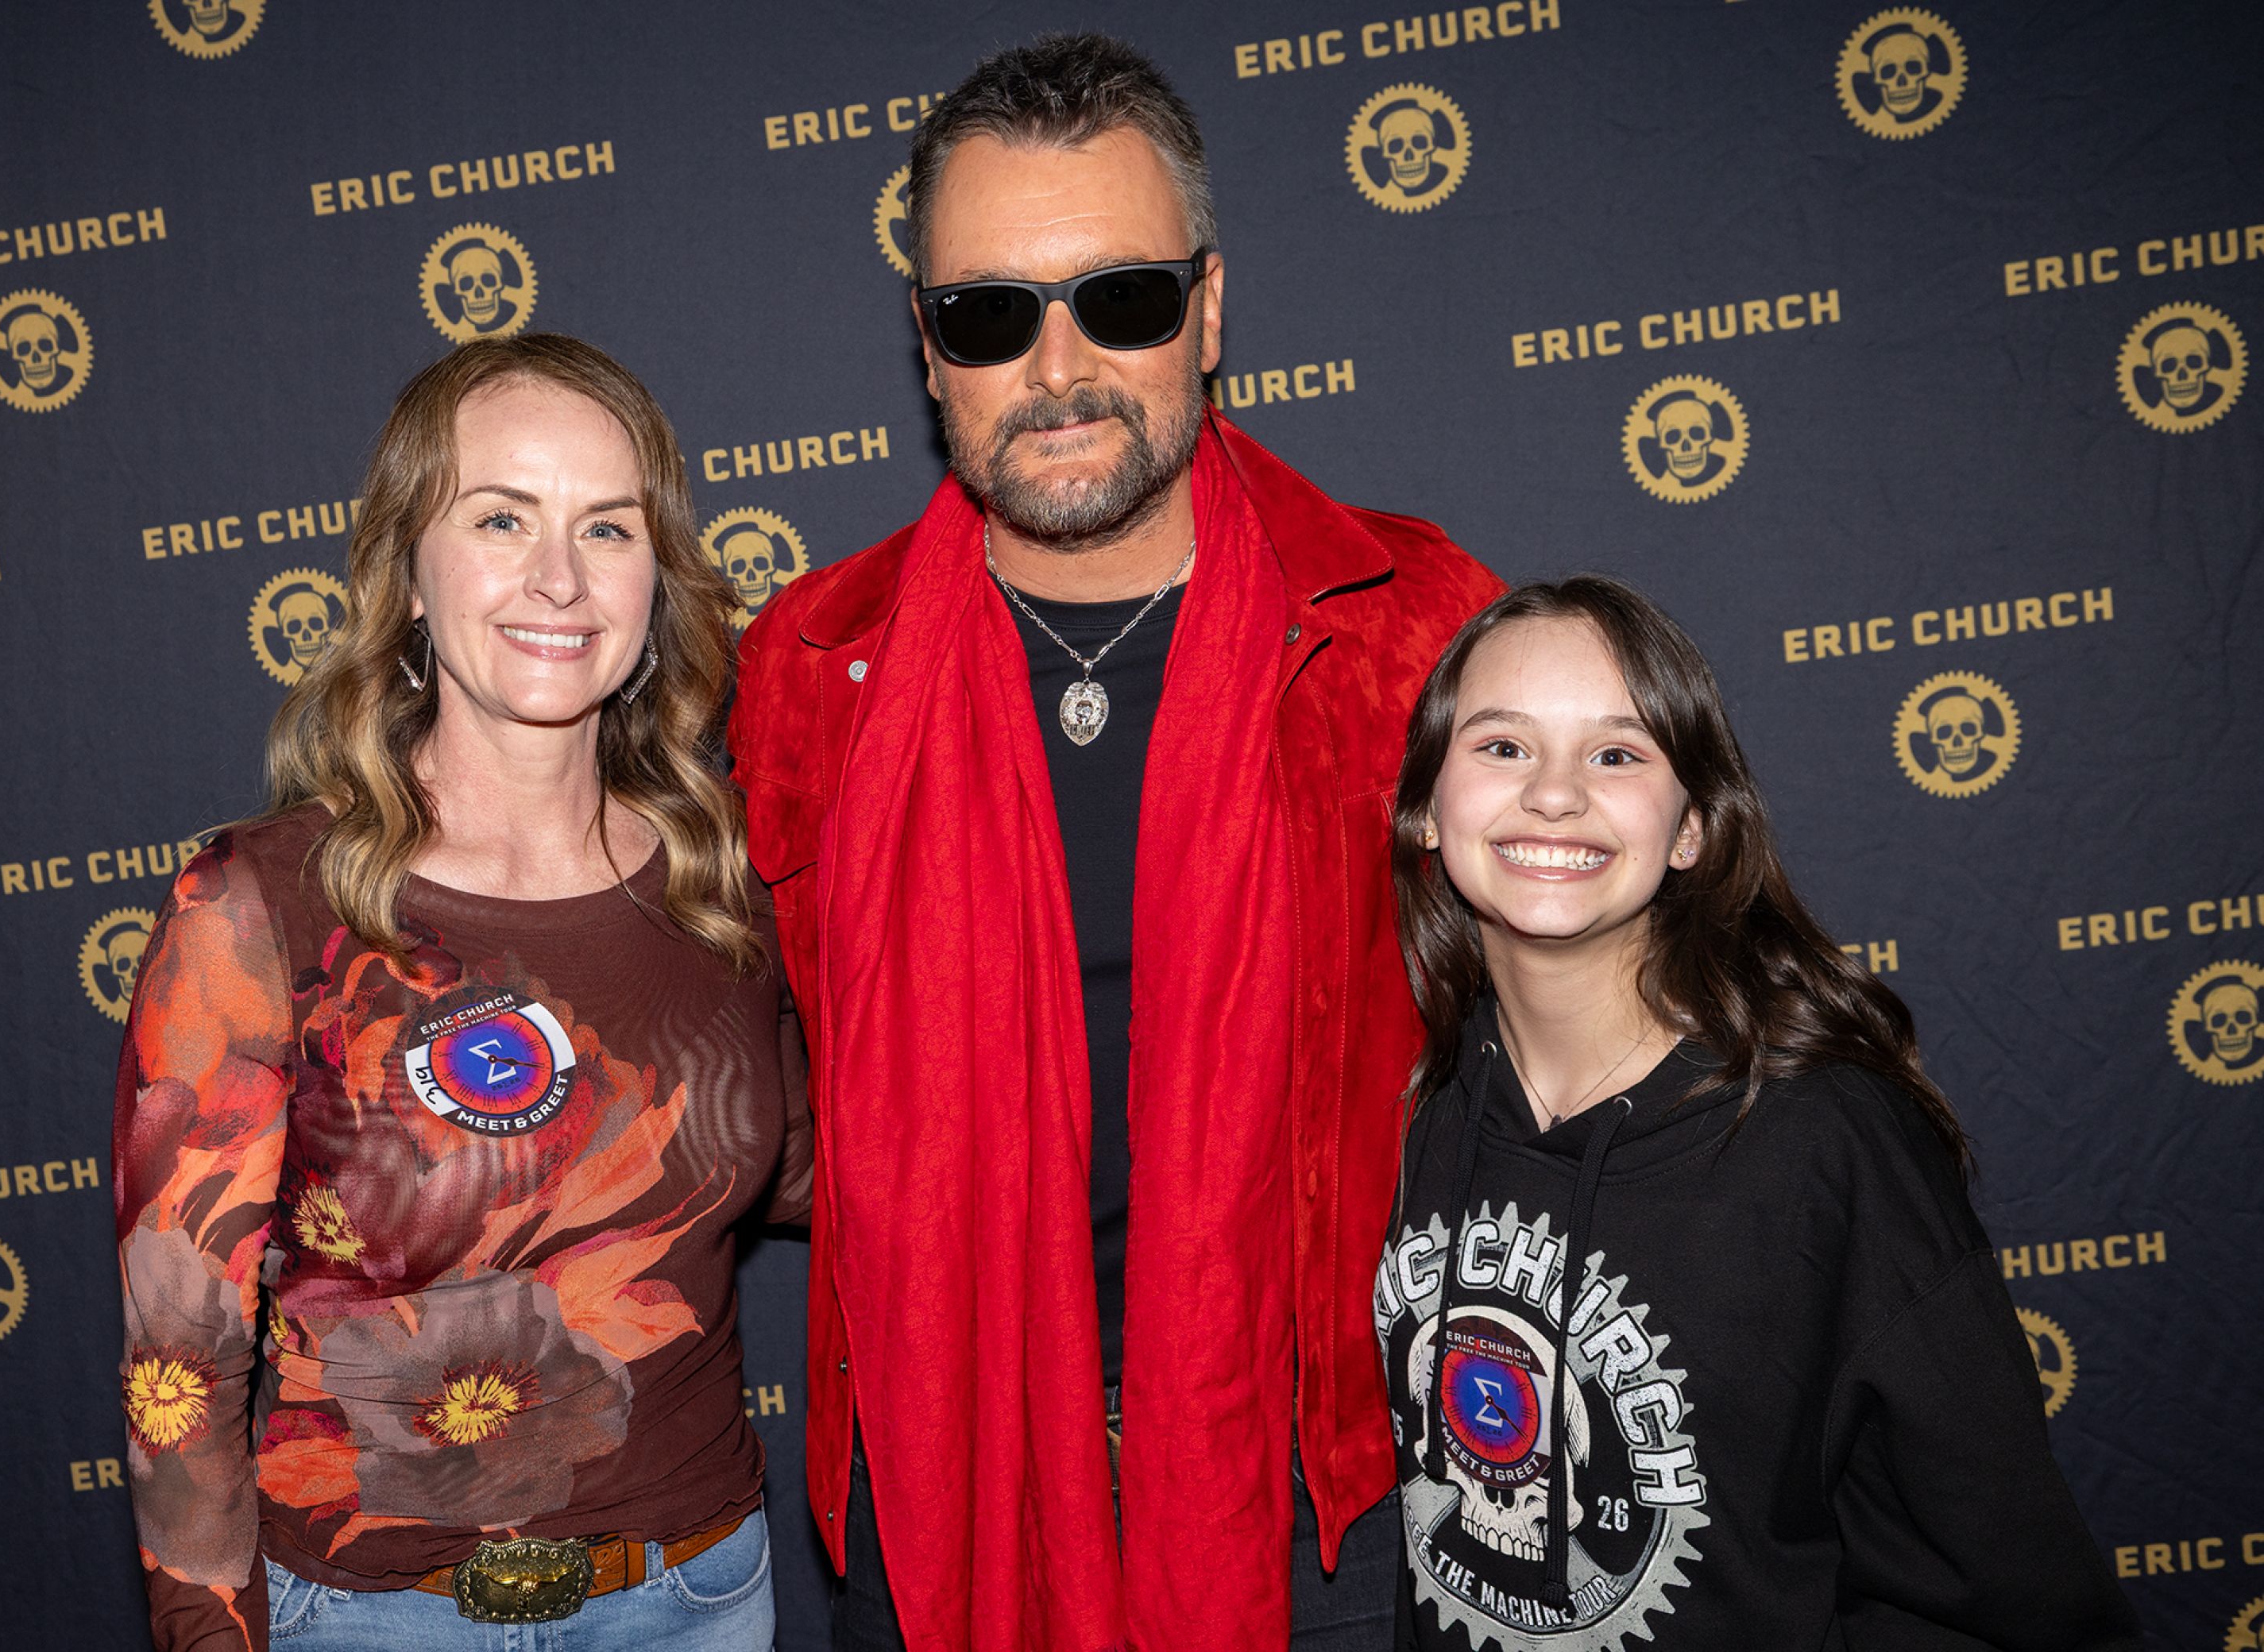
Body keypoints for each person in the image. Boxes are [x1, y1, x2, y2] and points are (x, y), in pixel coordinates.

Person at [728, 32, 1505, 1652]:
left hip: (1324, 1500)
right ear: (929, 350)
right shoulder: (808, 673)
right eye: (990, 315)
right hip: (943, 1492)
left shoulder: (1411, 630)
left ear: (1209, 312)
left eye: (1123, 299)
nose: (1059, 366)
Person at [113, 334, 809, 1651]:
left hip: (702, 1598)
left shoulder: (730, 882)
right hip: (371, 1618)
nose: (560, 578)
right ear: (409, 574)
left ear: (656, 579)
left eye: (607, 528)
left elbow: (833, 1176)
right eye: (501, 518)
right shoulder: (259, 905)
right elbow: (179, 1364)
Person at [1381, 577, 2139, 1649]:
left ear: (1691, 828)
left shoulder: (1823, 1139)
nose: (1554, 795)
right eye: (1503, 747)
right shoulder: (1406, 1110)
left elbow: (2000, 1590)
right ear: (1425, 804)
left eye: (1617, 754)